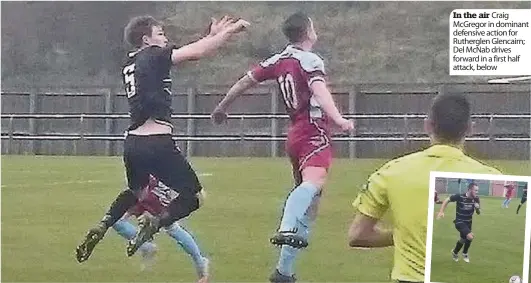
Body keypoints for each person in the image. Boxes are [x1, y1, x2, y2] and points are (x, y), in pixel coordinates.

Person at [75, 15, 249, 263]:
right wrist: (227, 34)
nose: (165, 38)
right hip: (157, 141)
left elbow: (194, 49)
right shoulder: (153, 55)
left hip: (132, 143)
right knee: (194, 196)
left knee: (137, 191)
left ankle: (104, 224)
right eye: (160, 33)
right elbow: (196, 53)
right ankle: (156, 223)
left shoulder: (132, 63)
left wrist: (211, 36)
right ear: (146, 40)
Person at [211, 11, 353, 283]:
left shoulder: (279, 60)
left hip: (295, 135)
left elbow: (244, 81)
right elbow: (320, 92)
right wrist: (339, 120)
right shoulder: (310, 60)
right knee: (314, 184)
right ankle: (287, 226)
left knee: (311, 204)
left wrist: (222, 106)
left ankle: (284, 272)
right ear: (308, 31)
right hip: (314, 132)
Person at [348, 93, 502, 283]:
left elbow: (358, 235)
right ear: (470, 129)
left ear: (428, 125)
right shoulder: (494, 180)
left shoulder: (392, 172)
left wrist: (406, 234)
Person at [112, 174, 209, 281]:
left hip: (155, 194)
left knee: (170, 227)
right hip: (154, 192)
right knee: (171, 227)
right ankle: (199, 259)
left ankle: (146, 246)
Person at [437, 182, 481, 263]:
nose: (477, 192)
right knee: (470, 237)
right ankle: (465, 253)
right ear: (470, 190)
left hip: (468, 223)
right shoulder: (460, 196)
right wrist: (441, 211)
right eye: (475, 190)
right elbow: (447, 199)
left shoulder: (476, 199)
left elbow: (478, 212)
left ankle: (455, 252)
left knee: (463, 239)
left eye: (477, 190)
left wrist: (477, 208)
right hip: (459, 222)